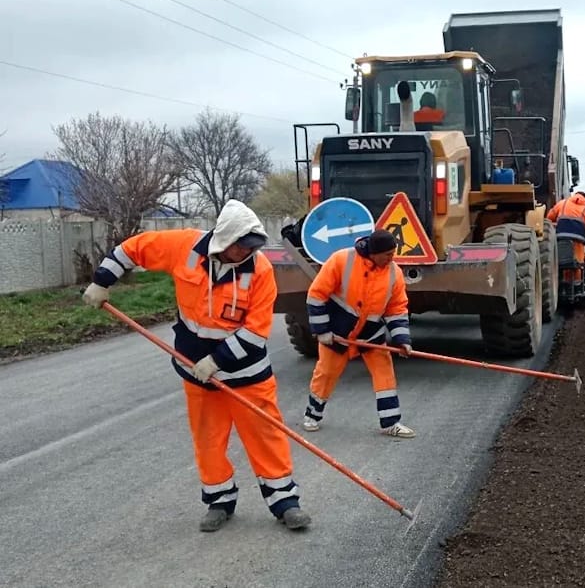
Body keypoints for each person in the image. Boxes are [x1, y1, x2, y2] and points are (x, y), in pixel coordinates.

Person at [81, 199, 310, 533]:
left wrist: (216, 361)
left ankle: (285, 501)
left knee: (266, 435)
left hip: (247, 375)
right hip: (194, 371)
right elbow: (134, 248)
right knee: (208, 438)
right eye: (240, 246)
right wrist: (102, 280)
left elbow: (256, 332)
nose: (246, 253)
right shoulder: (184, 247)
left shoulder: (260, 271)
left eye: (252, 247)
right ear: (224, 238)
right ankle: (219, 500)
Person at [302, 229, 415, 438]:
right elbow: (316, 295)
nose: (391, 258)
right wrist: (322, 331)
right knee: (326, 374)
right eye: (388, 254)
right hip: (337, 333)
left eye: (393, 254)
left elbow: (397, 309)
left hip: (370, 334)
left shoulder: (394, 273)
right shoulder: (341, 260)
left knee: (385, 375)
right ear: (374, 253)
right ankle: (312, 415)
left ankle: (391, 423)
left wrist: (402, 340)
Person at [546, 191, 585, 281]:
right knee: (578, 263)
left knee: (563, 260)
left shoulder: (562, 203)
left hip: (561, 236)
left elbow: (549, 217)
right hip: (578, 239)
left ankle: (564, 282)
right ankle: (576, 284)